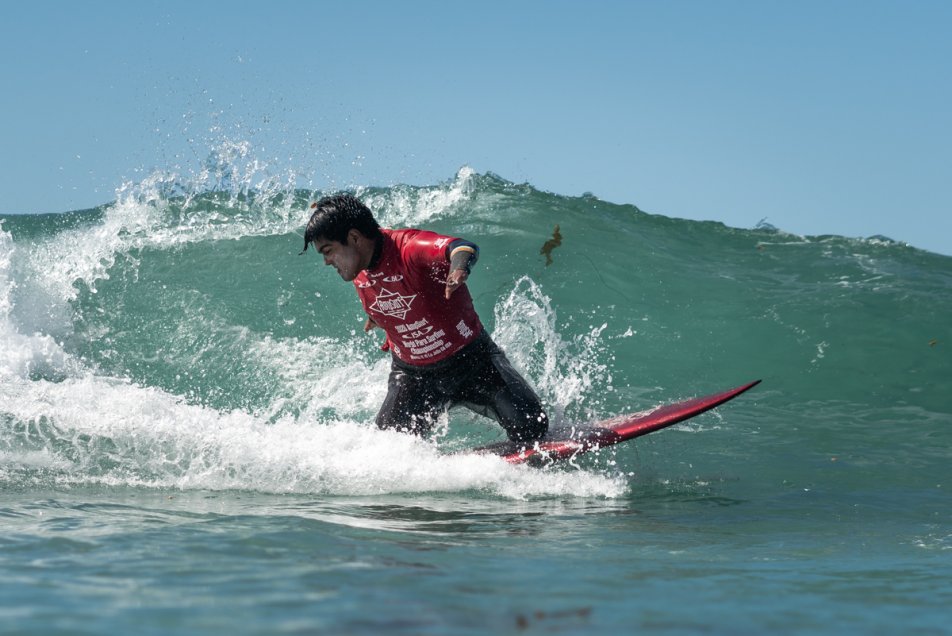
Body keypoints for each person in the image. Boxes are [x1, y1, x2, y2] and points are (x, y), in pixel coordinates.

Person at [302, 193, 548, 444]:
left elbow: (462, 247)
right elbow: (394, 294)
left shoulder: (408, 247)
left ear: (354, 238)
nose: (326, 261)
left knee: (533, 426)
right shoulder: (358, 268)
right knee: (387, 448)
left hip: (473, 362)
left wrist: (459, 269)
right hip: (413, 377)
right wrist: (380, 318)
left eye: (328, 251)